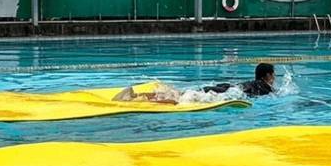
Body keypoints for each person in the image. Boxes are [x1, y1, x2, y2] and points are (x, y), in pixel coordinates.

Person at [112, 62, 276, 104]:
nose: (274, 78)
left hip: (225, 87)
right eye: (273, 75)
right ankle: (135, 97)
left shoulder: (250, 83)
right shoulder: (265, 88)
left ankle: (136, 94)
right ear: (268, 75)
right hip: (229, 93)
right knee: (179, 100)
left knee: (182, 94)